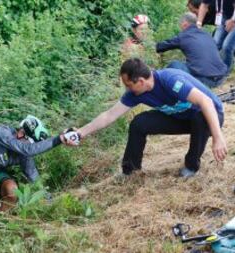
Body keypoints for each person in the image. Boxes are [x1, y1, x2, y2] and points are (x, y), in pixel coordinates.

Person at [66, 58, 227, 178]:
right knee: (139, 123)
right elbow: (109, 115)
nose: (127, 89)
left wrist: (218, 138)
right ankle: (130, 171)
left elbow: (206, 102)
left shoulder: (170, 80)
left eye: (129, 85)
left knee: (200, 118)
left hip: (210, 115)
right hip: (181, 118)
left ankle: (191, 167)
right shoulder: (136, 93)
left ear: (141, 81)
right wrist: (80, 133)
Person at [0, 115, 66, 211]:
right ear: (21, 134)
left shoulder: (23, 153)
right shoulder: (2, 132)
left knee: (12, 190)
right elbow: (28, 150)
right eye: (31, 143)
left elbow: (33, 176)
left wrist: (48, 198)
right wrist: (60, 139)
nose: (32, 147)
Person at [156, 12, 227, 88]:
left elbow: (161, 47)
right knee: (188, 63)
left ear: (185, 24)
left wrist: (149, 45)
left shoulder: (184, 36)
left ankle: (164, 88)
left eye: (181, 25)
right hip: (220, 78)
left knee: (174, 64)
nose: (181, 28)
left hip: (203, 80)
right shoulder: (207, 34)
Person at [197, 0, 235, 73]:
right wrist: (198, 24)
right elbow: (204, 5)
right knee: (215, 44)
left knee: (227, 46)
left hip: (233, 17)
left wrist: (233, 20)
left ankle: (225, 73)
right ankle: (209, 69)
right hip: (225, 16)